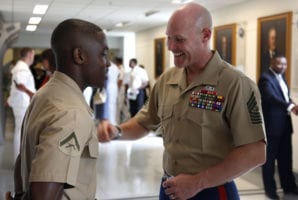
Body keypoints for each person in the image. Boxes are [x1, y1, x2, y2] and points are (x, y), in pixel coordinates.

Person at [98, 3, 266, 200]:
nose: (170, 46)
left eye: (179, 39)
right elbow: (145, 122)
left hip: (211, 191)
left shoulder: (235, 84)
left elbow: (255, 152)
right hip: (170, 188)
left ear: (205, 35)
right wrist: (117, 132)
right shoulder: (167, 80)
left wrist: (197, 182)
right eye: (169, 38)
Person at [5, 18, 110, 200]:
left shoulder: (44, 95)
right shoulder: (71, 113)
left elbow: (22, 160)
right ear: (79, 56)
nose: (107, 63)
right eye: (103, 54)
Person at [258, 54, 298, 200]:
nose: (282, 66)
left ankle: (290, 187)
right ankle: (271, 190)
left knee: (286, 160)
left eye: (285, 64)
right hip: (271, 128)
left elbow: (284, 97)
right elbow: (270, 97)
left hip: (285, 127)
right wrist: (291, 106)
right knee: (269, 162)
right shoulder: (265, 78)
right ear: (272, 63)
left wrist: (293, 105)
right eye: (279, 63)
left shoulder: (282, 78)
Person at [6, 47, 36, 162]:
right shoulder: (22, 69)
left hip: (21, 103)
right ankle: (19, 160)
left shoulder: (21, 67)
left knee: (21, 131)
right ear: (29, 55)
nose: (33, 58)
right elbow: (20, 85)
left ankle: (19, 160)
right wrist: (31, 94)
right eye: (32, 56)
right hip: (22, 104)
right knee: (21, 131)